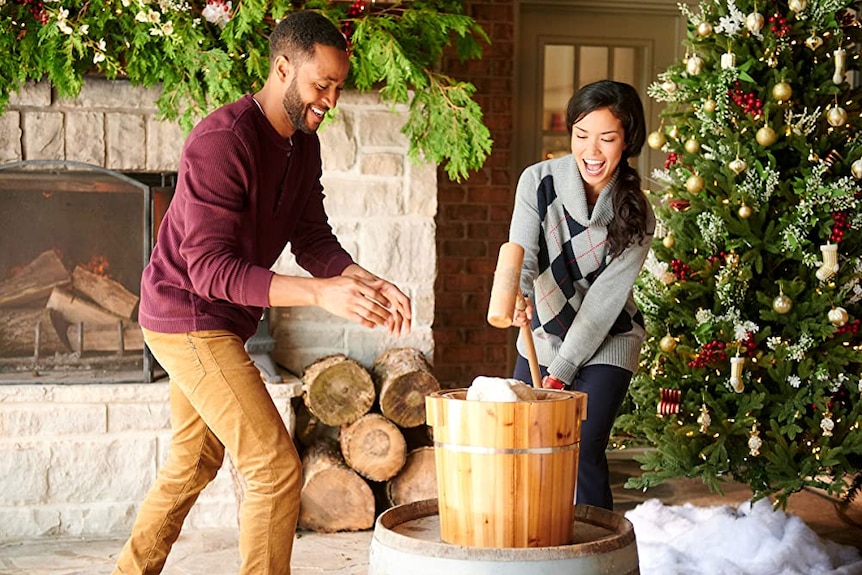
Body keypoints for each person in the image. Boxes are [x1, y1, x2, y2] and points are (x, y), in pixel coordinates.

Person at [113, 11, 411, 575]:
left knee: (193, 462)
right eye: (320, 85)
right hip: (188, 314)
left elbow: (312, 235)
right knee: (274, 468)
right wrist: (320, 294)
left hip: (220, 319)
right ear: (282, 68)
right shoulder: (222, 141)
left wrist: (357, 276)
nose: (330, 99)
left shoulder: (303, 143)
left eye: (338, 88)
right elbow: (208, 270)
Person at [509, 80, 654, 510]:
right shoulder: (537, 183)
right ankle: (529, 548)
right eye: (581, 135)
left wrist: (562, 372)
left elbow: (603, 304)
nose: (592, 151)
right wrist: (517, 293)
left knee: (582, 449)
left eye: (607, 138)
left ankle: (596, 557)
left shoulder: (638, 213)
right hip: (543, 332)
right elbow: (523, 254)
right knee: (524, 445)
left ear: (627, 140)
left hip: (609, 337)